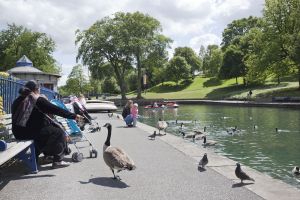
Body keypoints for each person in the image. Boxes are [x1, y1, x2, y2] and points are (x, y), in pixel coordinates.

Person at [12, 80, 82, 168]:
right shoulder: (36, 99)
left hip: (18, 133)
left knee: (48, 131)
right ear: (36, 89)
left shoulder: (17, 100)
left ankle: (47, 156)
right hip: (30, 133)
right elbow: (56, 110)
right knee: (59, 132)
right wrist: (74, 116)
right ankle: (58, 160)